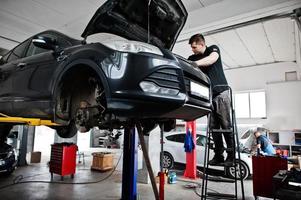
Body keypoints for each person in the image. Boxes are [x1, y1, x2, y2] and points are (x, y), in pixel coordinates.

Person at [188, 33, 234, 166]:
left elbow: (212, 59)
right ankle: (218, 155)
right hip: (207, 95)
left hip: (221, 93)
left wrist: (194, 64)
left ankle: (231, 155)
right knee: (213, 127)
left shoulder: (212, 49)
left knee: (226, 124)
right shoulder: (192, 57)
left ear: (202, 44)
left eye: (194, 47)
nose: (193, 50)